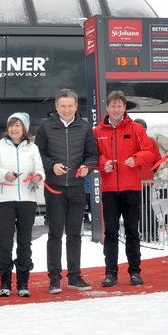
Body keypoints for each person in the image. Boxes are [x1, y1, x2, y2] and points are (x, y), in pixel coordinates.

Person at [35, 88, 98, 293]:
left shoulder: (85, 127)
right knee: (54, 234)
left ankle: (75, 276)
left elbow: (92, 155)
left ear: (76, 106)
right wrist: (52, 165)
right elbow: (38, 154)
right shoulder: (45, 127)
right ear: (56, 107)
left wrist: (86, 167)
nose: (67, 109)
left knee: (74, 234)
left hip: (77, 188)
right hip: (54, 188)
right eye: (63, 106)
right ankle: (54, 278)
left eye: (70, 106)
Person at [93, 92, 157, 287]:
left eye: (119, 106)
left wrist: (136, 159)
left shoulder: (136, 129)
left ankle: (135, 272)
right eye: (112, 106)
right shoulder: (97, 132)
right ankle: (110, 273)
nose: (116, 109)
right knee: (110, 233)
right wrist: (103, 163)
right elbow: (92, 156)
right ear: (107, 108)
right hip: (110, 189)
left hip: (131, 188)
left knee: (132, 231)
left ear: (124, 108)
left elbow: (150, 152)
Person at [0, 112, 45, 297]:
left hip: (27, 199)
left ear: (24, 128)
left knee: (24, 242)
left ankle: (23, 282)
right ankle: (4, 282)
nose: (13, 128)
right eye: (11, 125)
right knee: (4, 242)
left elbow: (40, 169)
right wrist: (4, 174)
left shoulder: (32, 148)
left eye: (18, 125)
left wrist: (38, 176)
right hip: (4, 200)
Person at [134, 118, 162, 242]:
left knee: (138, 206)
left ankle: (143, 232)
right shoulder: (151, 141)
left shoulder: (132, 141)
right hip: (146, 179)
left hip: (134, 179)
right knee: (147, 205)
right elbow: (158, 160)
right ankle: (151, 232)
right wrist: (151, 171)